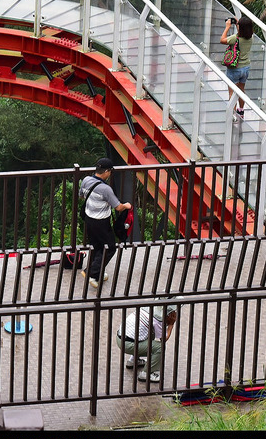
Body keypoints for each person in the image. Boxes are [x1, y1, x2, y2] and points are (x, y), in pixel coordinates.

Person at [79, 157, 132, 289]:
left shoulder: (86, 180)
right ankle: (91, 273)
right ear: (107, 171)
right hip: (101, 222)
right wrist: (127, 205)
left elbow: (81, 195)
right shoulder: (105, 189)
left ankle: (97, 273)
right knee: (110, 248)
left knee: (97, 247)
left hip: (89, 218)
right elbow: (118, 207)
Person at [116, 297, 180, 384]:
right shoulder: (157, 319)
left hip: (120, 339)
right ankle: (146, 373)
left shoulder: (148, 309)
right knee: (159, 347)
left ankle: (133, 360)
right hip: (129, 345)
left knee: (149, 333)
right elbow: (163, 339)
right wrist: (171, 325)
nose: (174, 313)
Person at [219, 16, 254, 121]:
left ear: (240, 28)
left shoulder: (235, 38)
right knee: (241, 90)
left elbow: (222, 40)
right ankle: (241, 111)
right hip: (245, 68)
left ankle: (232, 115)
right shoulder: (251, 38)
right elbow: (244, 30)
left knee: (232, 93)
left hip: (235, 69)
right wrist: (238, 23)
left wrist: (227, 27)